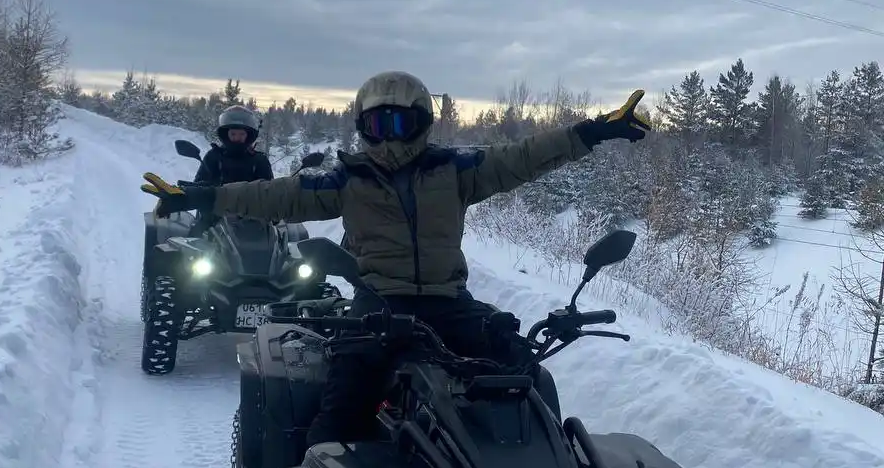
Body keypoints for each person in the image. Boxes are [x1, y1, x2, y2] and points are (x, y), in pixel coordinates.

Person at [142, 72, 650, 445]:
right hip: (376, 306)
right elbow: (271, 195)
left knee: (524, 377)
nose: (389, 136)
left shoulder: (458, 170)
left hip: (451, 304)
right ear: (364, 128)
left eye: (400, 123)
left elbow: (525, 156)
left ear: (422, 124)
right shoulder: (346, 179)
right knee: (337, 419)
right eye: (378, 124)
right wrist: (198, 197)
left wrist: (593, 132)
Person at [194, 105, 274, 186]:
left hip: (249, 199)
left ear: (248, 135)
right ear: (225, 134)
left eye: (242, 134)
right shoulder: (213, 156)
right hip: (219, 199)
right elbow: (197, 188)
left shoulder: (259, 160)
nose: (237, 138)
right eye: (233, 134)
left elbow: (269, 191)